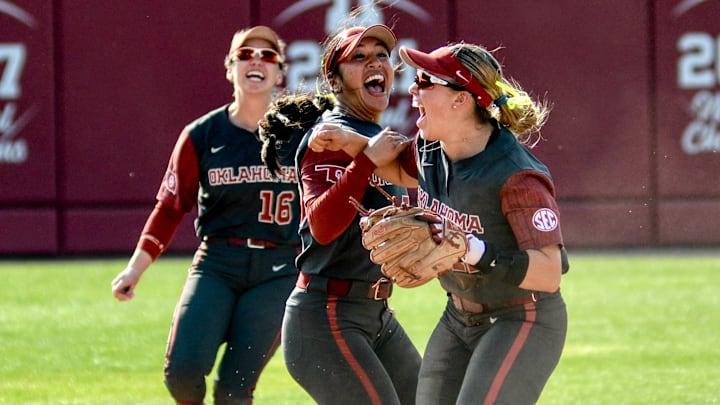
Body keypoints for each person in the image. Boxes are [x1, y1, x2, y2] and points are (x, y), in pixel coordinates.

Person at [310, 42, 569, 404]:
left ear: (460, 100)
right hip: (458, 316)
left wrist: (473, 249)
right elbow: (399, 166)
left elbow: (549, 272)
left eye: (425, 81)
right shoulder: (433, 149)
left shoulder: (516, 175)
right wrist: (352, 143)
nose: (412, 89)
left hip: (522, 318)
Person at [110, 26, 299, 405]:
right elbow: (170, 206)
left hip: (279, 270)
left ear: (280, 73)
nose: (256, 61)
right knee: (181, 373)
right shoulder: (202, 134)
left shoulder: (302, 136)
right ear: (230, 69)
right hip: (218, 263)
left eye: (267, 56)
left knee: (233, 390)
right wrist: (135, 269)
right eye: (245, 55)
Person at [280, 24, 422, 405]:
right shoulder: (329, 138)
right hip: (325, 318)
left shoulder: (368, 135)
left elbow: (422, 169)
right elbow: (322, 228)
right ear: (335, 80)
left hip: (375, 314)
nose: (374, 63)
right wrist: (363, 164)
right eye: (358, 58)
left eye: (380, 55)